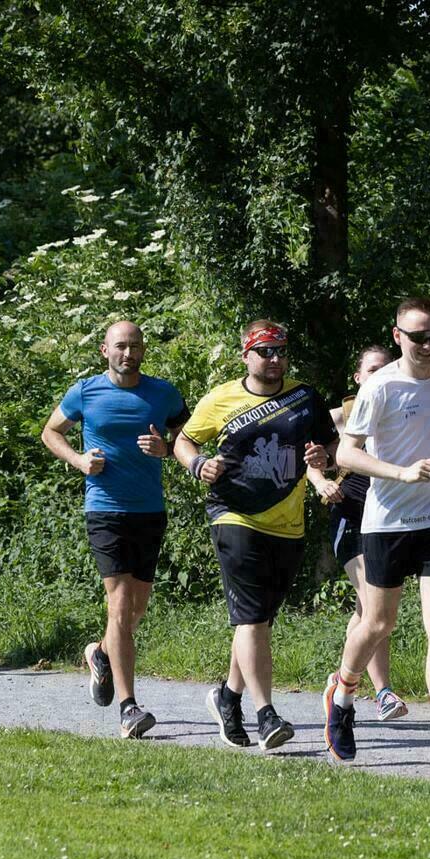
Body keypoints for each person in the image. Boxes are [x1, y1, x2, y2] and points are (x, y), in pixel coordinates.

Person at [323, 297, 430, 769]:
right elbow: (346, 455)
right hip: (388, 521)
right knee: (378, 623)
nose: (428, 344)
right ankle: (342, 695)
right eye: (418, 337)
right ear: (398, 336)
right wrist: (402, 473)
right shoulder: (380, 386)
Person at [174, 320, 337, 751]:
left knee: (259, 622)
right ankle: (267, 715)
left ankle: (228, 698)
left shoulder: (305, 397)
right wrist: (198, 465)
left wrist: (324, 457)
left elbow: (333, 447)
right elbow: (184, 442)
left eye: (281, 350)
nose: (275, 359)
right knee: (250, 619)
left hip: (287, 523)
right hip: (235, 515)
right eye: (265, 351)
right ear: (245, 355)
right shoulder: (221, 398)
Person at [41, 320, 189, 739]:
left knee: (136, 610)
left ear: (143, 350)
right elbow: (50, 431)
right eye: (121, 346)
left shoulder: (163, 393)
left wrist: (166, 448)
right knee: (120, 605)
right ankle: (129, 708)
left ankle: (101, 654)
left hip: (149, 510)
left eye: (135, 346)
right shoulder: (85, 391)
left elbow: (186, 438)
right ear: (105, 350)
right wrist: (78, 460)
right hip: (105, 509)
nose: (129, 353)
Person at [308, 344, 410, 722]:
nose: (379, 375)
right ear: (357, 377)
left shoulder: (402, 411)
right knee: (374, 605)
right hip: (350, 516)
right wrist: (320, 482)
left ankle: (340, 679)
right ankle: (383, 692)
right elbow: (311, 460)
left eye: (386, 368)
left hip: (389, 519)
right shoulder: (338, 417)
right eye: (372, 370)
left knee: (366, 611)